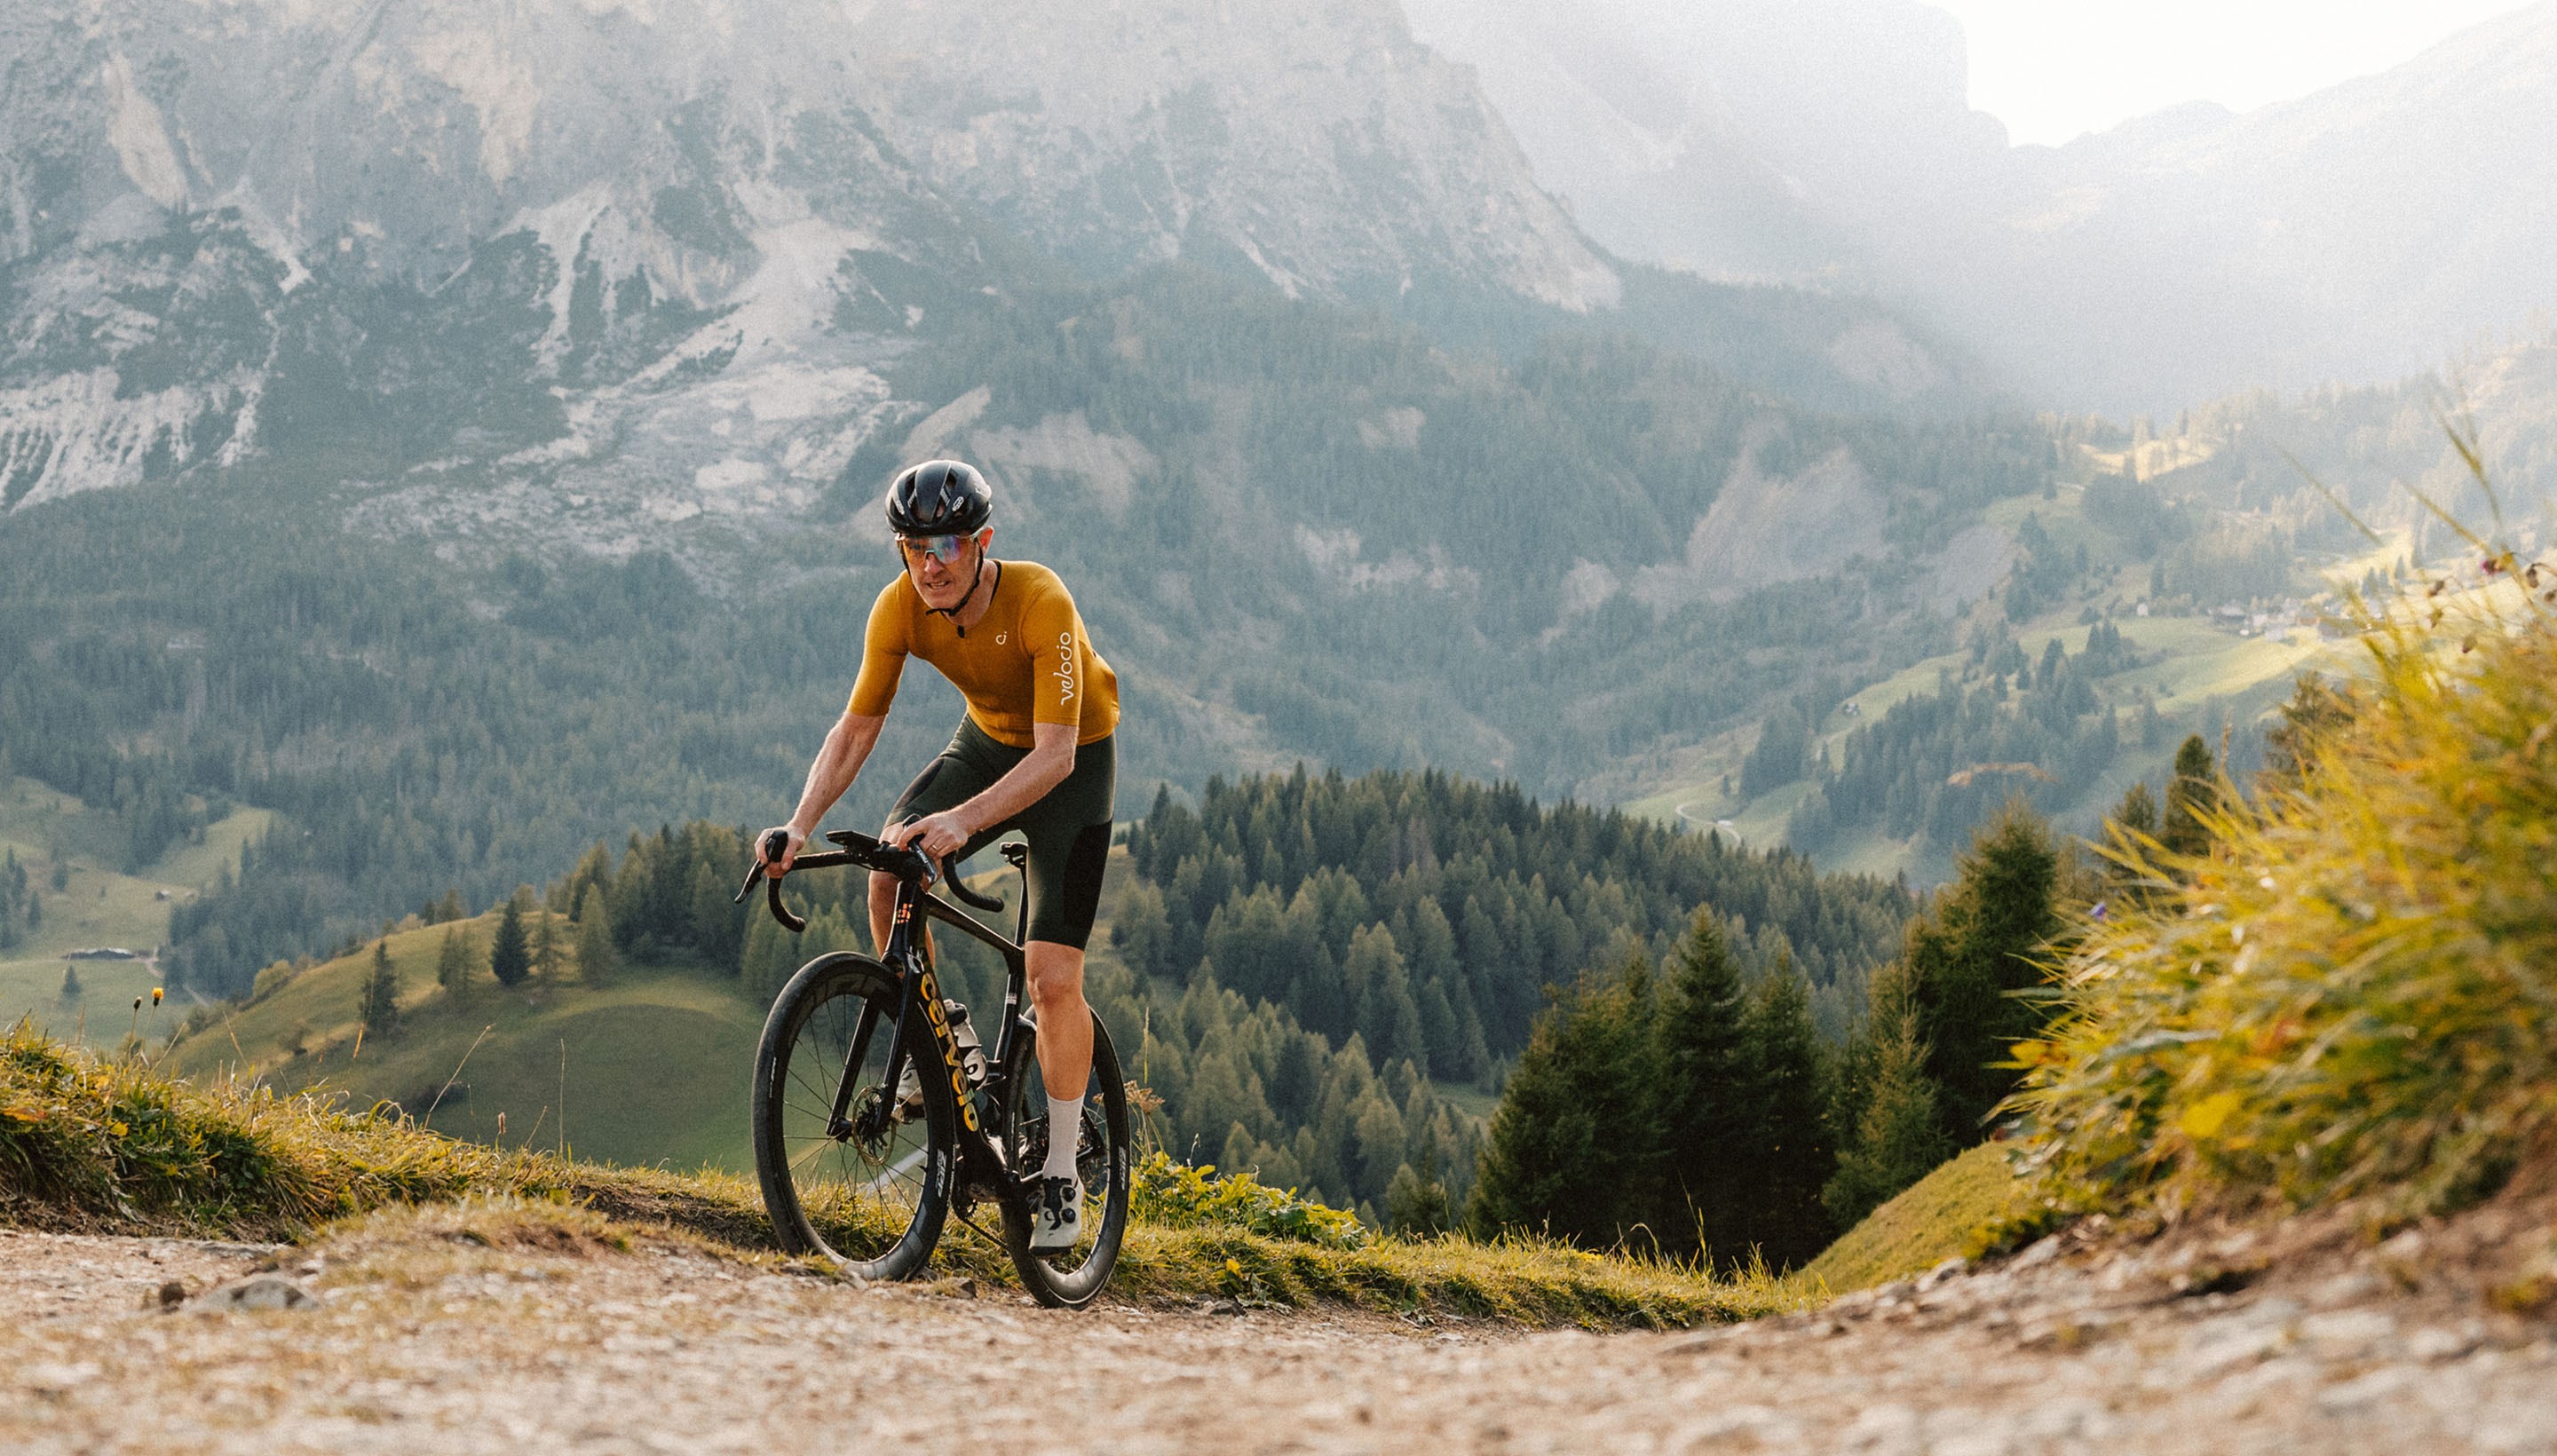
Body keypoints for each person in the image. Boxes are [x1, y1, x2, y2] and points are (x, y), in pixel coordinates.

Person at [759, 459, 1119, 1251]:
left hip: (1073, 762)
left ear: (983, 542)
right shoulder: (899, 610)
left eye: (950, 545)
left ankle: (1062, 1169)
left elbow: (1056, 757)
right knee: (891, 866)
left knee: (1052, 976)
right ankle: (944, 1040)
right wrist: (798, 825)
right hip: (989, 745)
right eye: (914, 547)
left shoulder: (1040, 601)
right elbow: (855, 731)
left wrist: (962, 820)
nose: (931, 564)